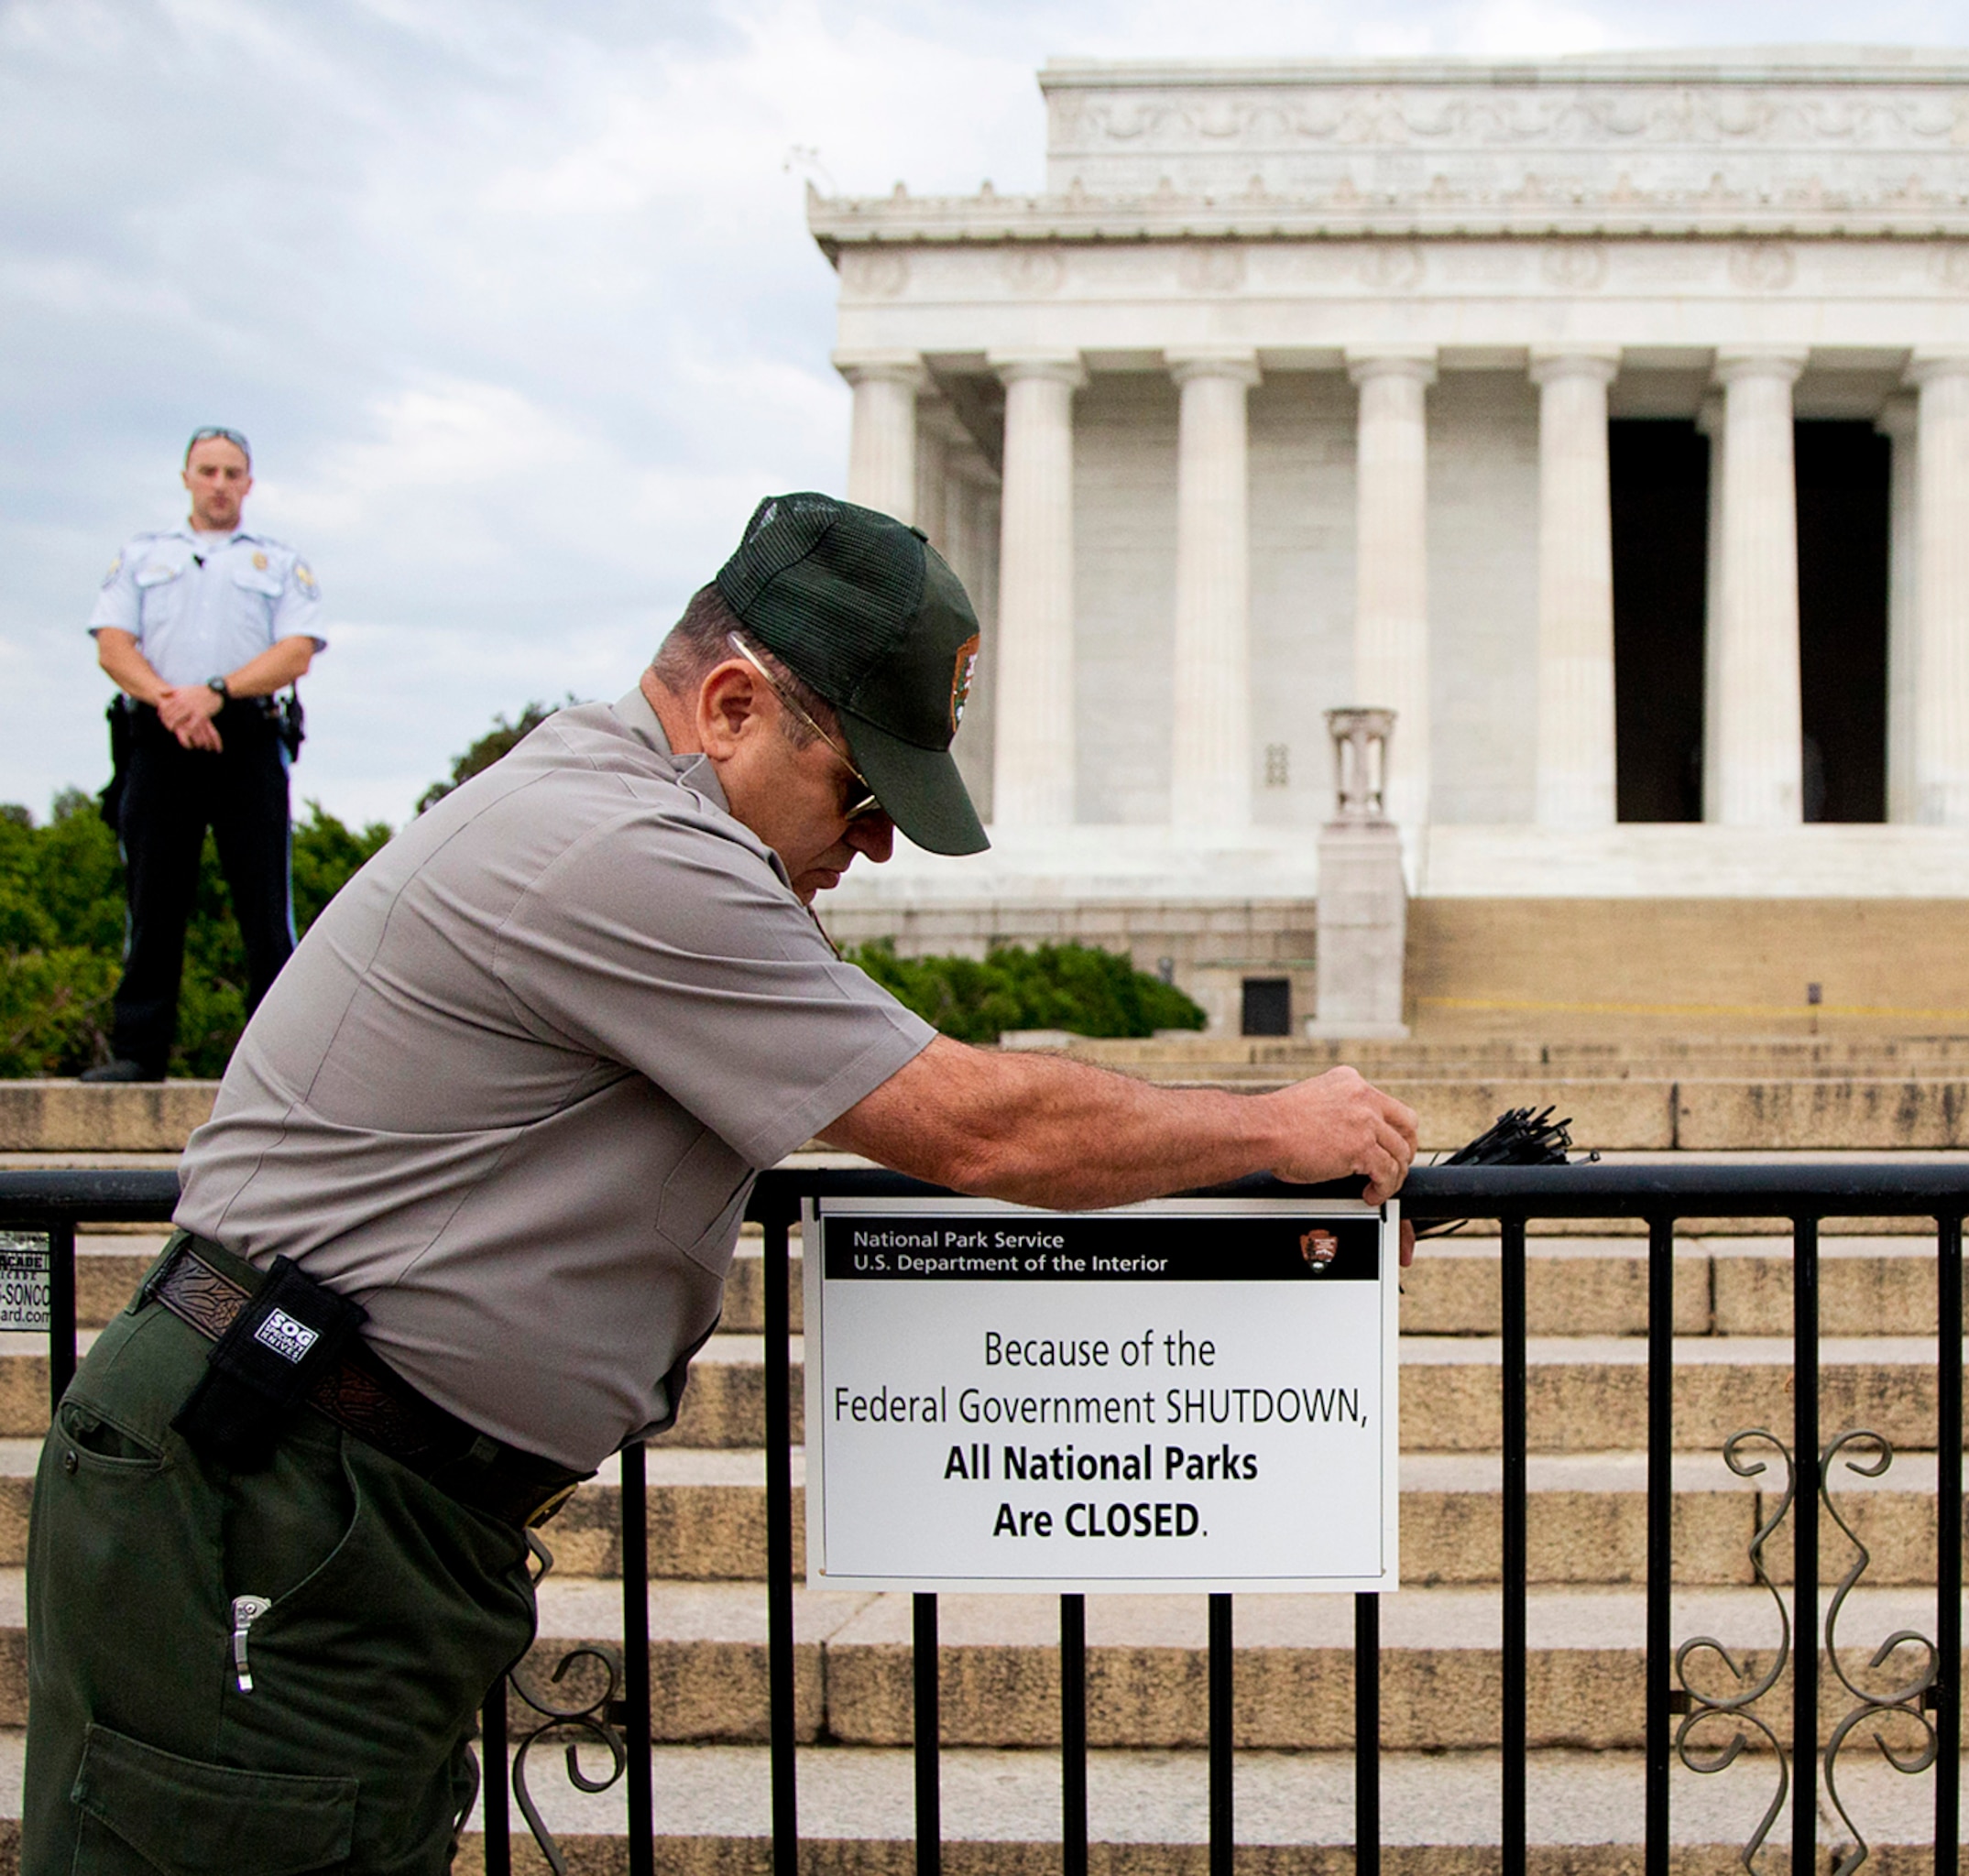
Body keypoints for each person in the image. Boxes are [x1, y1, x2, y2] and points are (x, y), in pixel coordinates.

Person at [22, 493, 1420, 1873]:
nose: (873, 844)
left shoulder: (615, 813)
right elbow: (977, 1128)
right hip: (279, 1490)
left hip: (330, 1488)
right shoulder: (631, 850)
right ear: (737, 706)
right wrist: (1276, 1127)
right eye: (861, 790)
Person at [82, 425, 324, 1083]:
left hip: (245, 736)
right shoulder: (141, 555)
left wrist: (215, 695)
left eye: (232, 473)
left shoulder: (277, 562)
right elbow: (113, 643)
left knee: (265, 906)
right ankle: (138, 1050)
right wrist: (173, 703)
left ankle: (280, 1063)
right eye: (208, 471)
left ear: (249, 483)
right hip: (159, 738)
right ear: (186, 476)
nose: (219, 484)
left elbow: (297, 649)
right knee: (152, 896)